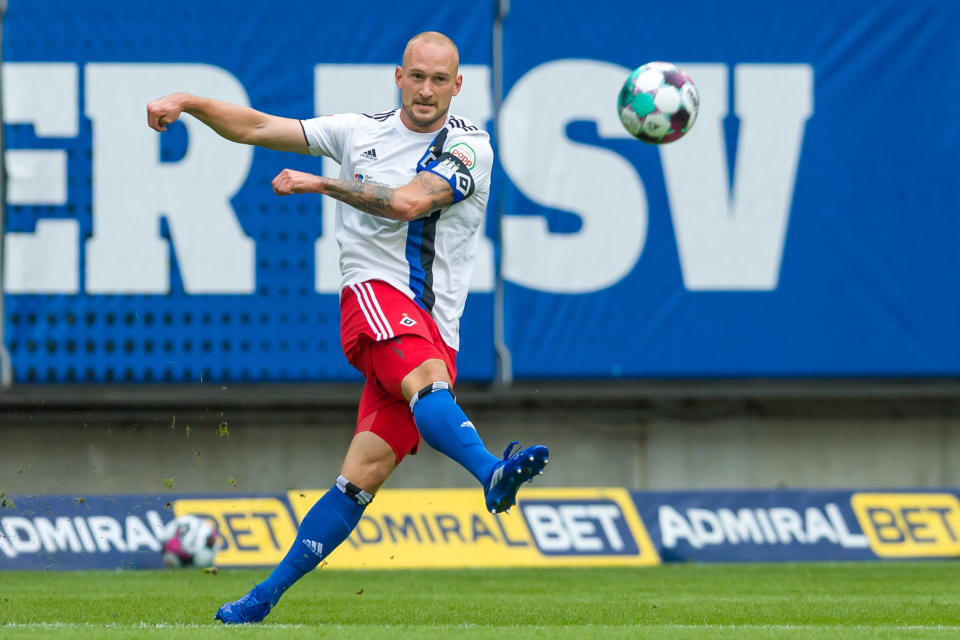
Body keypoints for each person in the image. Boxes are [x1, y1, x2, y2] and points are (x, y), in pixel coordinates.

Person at [146, 31, 549, 624]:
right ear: (398, 76)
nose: (426, 90)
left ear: (458, 86)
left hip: (434, 327)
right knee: (429, 383)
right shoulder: (358, 132)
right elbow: (258, 127)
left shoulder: (470, 148)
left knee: (361, 475)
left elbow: (409, 203)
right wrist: (190, 101)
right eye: (417, 76)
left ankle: (259, 601)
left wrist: (321, 182)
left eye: (440, 80)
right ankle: (491, 472)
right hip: (375, 298)